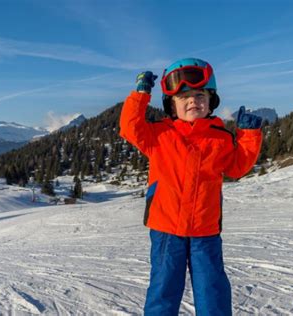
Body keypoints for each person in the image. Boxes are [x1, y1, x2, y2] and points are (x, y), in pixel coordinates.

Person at [119, 58, 263, 315]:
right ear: (171, 105)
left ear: (211, 101)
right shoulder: (160, 135)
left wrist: (249, 136)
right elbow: (130, 127)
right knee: (163, 289)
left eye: (200, 94)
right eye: (183, 97)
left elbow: (237, 167)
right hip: (166, 229)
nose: (193, 100)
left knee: (212, 289)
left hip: (205, 230)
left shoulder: (219, 137)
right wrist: (140, 94)